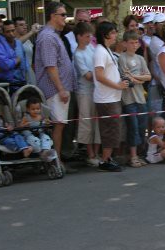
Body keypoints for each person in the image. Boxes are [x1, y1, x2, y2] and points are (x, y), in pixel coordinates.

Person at [34, 2, 76, 173]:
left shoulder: (53, 35)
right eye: (63, 14)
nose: (65, 18)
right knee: (57, 125)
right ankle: (55, 161)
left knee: (60, 125)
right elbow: (50, 66)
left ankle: (55, 159)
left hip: (59, 89)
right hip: (54, 90)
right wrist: (61, 89)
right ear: (53, 16)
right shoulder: (47, 37)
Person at [93, 21, 128, 172]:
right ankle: (105, 160)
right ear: (105, 34)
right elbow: (99, 75)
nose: (115, 35)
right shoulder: (100, 51)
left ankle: (108, 158)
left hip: (111, 97)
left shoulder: (105, 50)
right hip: (106, 98)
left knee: (113, 130)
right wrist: (117, 85)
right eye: (113, 32)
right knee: (110, 130)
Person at [118, 31, 151, 168]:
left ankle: (139, 153)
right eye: (131, 42)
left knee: (142, 126)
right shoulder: (122, 58)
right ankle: (133, 156)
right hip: (129, 98)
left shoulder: (140, 59)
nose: (134, 45)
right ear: (125, 43)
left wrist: (135, 77)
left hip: (140, 98)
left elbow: (148, 76)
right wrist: (138, 78)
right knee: (133, 126)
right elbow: (126, 77)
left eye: (136, 42)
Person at [73, 21, 100, 167]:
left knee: (96, 121)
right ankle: (90, 154)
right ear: (79, 36)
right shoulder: (78, 54)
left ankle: (96, 152)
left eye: (90, 36)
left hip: (96, 90)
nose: (89, 39)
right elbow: (88, 75)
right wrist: (101, 76)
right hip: (84, 91)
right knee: (87, 122)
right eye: (86, 36)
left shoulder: (91, 47)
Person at [2, 20, 28, 94]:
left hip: (22, 82)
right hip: (9, 85)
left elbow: (25, 63)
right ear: (3, 33)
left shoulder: (19, 43)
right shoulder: (1, 46)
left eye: (13, 30)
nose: (11, 34)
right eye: (8, 31)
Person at [12, 17, 41, 85]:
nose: (25, 27)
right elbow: (17, 43)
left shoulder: (28, 40)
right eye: (21, 25)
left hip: (30, 73)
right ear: (15, 27)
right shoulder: (13, 41)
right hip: (19, 75)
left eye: (25, 25)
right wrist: (32, 32)